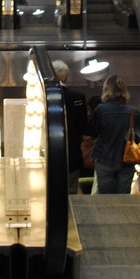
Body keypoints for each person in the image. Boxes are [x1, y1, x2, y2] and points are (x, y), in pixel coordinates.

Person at [88, 74, 140, 194]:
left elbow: (93, 132)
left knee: (106, 197)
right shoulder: (134, 112)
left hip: (104, 159)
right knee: (123, 198)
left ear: (106, 90)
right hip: (126, 161)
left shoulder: (101, 110)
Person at [52, 60, 89, 195]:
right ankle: (70, 216)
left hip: (49, 154)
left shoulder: (44, 98)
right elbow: (83, 128)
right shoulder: (78, 97)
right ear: (66, 76)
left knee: (52, 192)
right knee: (71, 192)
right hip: (72, 153)